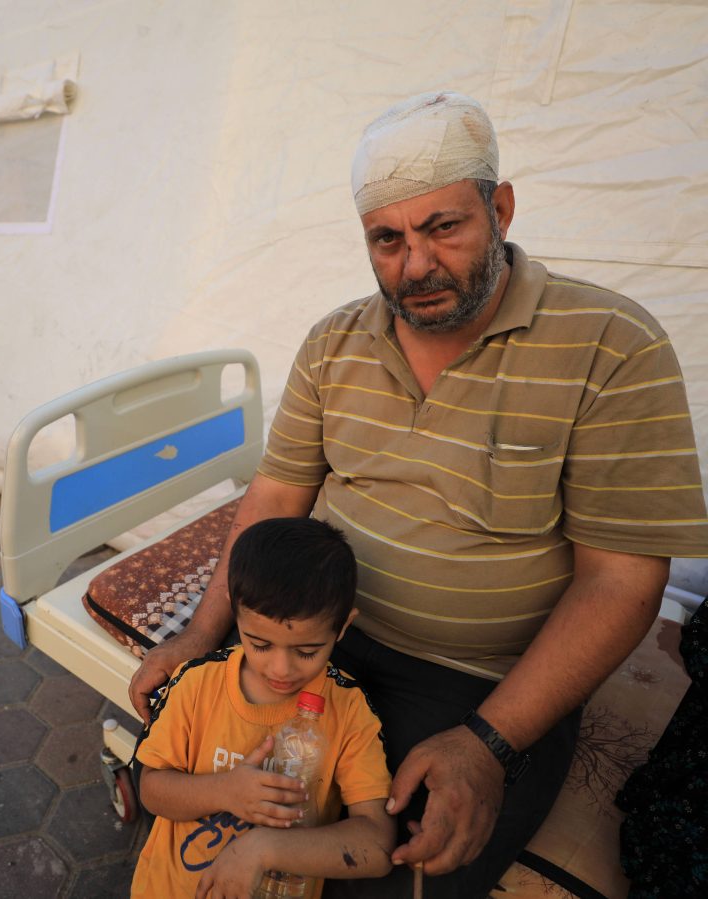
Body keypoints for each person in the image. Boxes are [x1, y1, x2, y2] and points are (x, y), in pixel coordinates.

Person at [129, 91, 708, 898]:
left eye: (445, 227)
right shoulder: (335, 343)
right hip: (320, 638)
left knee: (385, 872)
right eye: (388, 238)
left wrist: (487, 745)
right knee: (204, 823)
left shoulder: (613, 347)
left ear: (500, 208)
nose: (416, 265)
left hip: (480, 683)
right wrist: (201, 635)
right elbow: (276, 492)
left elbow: (622, 578)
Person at [132, 517, 394, 899]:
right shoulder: (197, 682)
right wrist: (226, 791)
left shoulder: (349, 709)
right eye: (259, 644)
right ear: (234, 612)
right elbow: (152, 790)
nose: (281, 669)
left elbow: (376, 845)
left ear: (342, 628)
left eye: (307, 650)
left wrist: (265, 848)